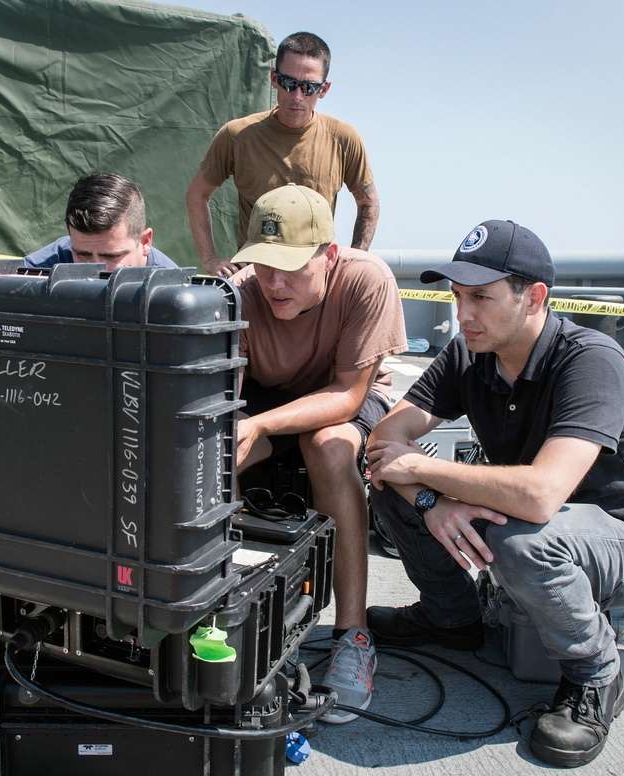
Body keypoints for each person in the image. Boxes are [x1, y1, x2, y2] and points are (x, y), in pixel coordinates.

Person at [365, 220, 624, 766]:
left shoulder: (590, 360)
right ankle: (451, 619)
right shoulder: (469, 355)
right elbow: (385, 440)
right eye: (458, 296)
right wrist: (430, 500)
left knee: (521, 540)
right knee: (394, 491)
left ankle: (597, 677)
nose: (463, 315)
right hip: (530, 519)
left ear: (534, 297)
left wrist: (423, 471)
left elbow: (539, 496)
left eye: (481, 298)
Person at [0, 172, 176, 703]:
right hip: (44, 423)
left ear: (145, 242)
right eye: (80, 255)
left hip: (126, 441)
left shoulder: (176, 294)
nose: (90, 272)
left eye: (107, 259)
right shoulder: (34, 273)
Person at [230, 184, 406, 723]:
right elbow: (221, 397)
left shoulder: (365, 279)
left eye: (290, 267)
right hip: (263, 395)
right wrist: (237, 433)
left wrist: (258, 424)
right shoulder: (236, 292)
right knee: (208, 456)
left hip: (344, 391)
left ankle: (353, 636)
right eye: (263, 266)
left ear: (328, 255)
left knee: (328, 449)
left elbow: (349, 394)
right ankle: (224, 616)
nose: (274, 283)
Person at [186, 31, 379, 279]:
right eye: (289, 83)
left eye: (309, 87)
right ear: (274, 79)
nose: (297, 96)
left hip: (314, 279)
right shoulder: (237, 135)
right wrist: (211, 259)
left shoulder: (343, 138)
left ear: (324, 89)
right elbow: (197, 194)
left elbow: (368, 203)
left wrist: (354, 262)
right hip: (255, 277)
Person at [25, 171, 177, 271]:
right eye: (83, 255)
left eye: (111, 256)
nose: (96, 268)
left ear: (145, 242)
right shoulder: (44, 266)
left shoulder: (174, 291)